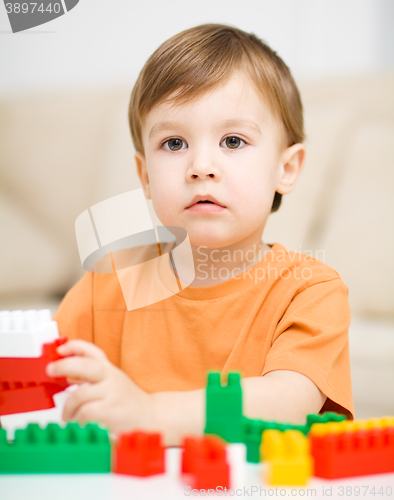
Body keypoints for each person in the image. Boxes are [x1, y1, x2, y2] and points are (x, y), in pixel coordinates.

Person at [47, 23, 353, 445]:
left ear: (286, 169)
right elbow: (43, 381)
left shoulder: (311, 292)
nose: (201, 166)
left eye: (233, 140)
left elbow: (289, 403)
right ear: (145, 176)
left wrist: (149, 412)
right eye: (174, 144)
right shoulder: (108, 283)